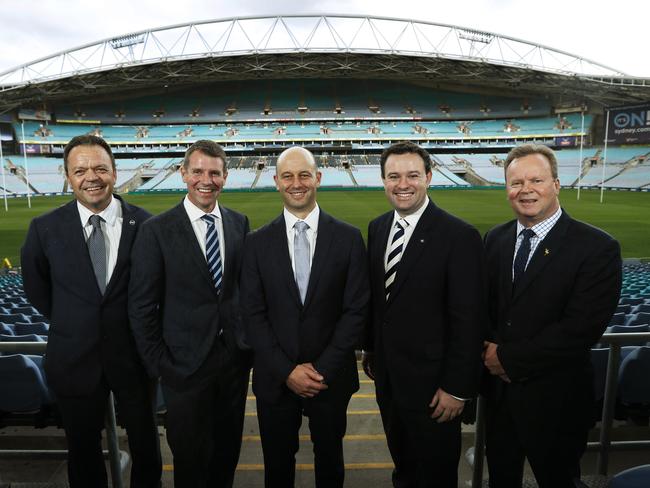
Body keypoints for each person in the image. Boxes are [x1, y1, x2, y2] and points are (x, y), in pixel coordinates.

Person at [21, 134, 161, 488]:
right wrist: (78, 320)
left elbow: (158, 289)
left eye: (100, 168)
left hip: (134, 359)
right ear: (68, 176)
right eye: (80, 170)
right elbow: (37, 289)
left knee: (146, 447)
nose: (91, 177)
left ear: (115, 172)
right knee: (82, 452)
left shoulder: (147, 225)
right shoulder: (44, 228)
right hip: (74, 358)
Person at [482, 143, 622, 488]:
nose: (525, 190)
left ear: (556, 185)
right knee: (501, 477)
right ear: (506, 189)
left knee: (558, 480)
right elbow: (485, 310)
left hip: (557, 401)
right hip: (499, 400)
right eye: (516, 183)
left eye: (536, 180)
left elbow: (580, 330)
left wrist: (506, 359)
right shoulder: (495, 239)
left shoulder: (597, 247)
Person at [241, 146, 369, 488]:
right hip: (275, 379)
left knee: (330, 464)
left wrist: (322, 368)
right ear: (276, 182)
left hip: (330, 378)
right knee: (277, 468)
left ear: (318, 178)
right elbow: (253, 315)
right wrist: (287, 371)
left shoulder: (349, 238)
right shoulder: (255, 243)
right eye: (287, 176)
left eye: (304, 175)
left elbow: (355, 311)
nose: (296, 183)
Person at [128, 140, 251, 488]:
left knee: (227, 455)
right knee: (190, 461)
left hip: (232, 366)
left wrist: (245, 345)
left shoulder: (238, 223)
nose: (206, 180)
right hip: (183, 368)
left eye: (214, 173)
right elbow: (140, 306)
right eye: (197, 171)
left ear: (225, 177)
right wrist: (161, 366)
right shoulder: (156, 230)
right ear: (183, 173)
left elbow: (242, 292)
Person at [362, 141, 484, 488]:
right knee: (404, 466)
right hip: (389, 379)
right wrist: (372, 348)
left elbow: (469, 318)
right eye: (394, 176)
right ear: (383, 180)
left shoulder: (459, 235)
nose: (403, 184)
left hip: (436, 388)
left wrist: (457, 389)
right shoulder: (379, 227)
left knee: (436, 472)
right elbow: (381, 301)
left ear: (429, 176)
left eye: (413, 175)